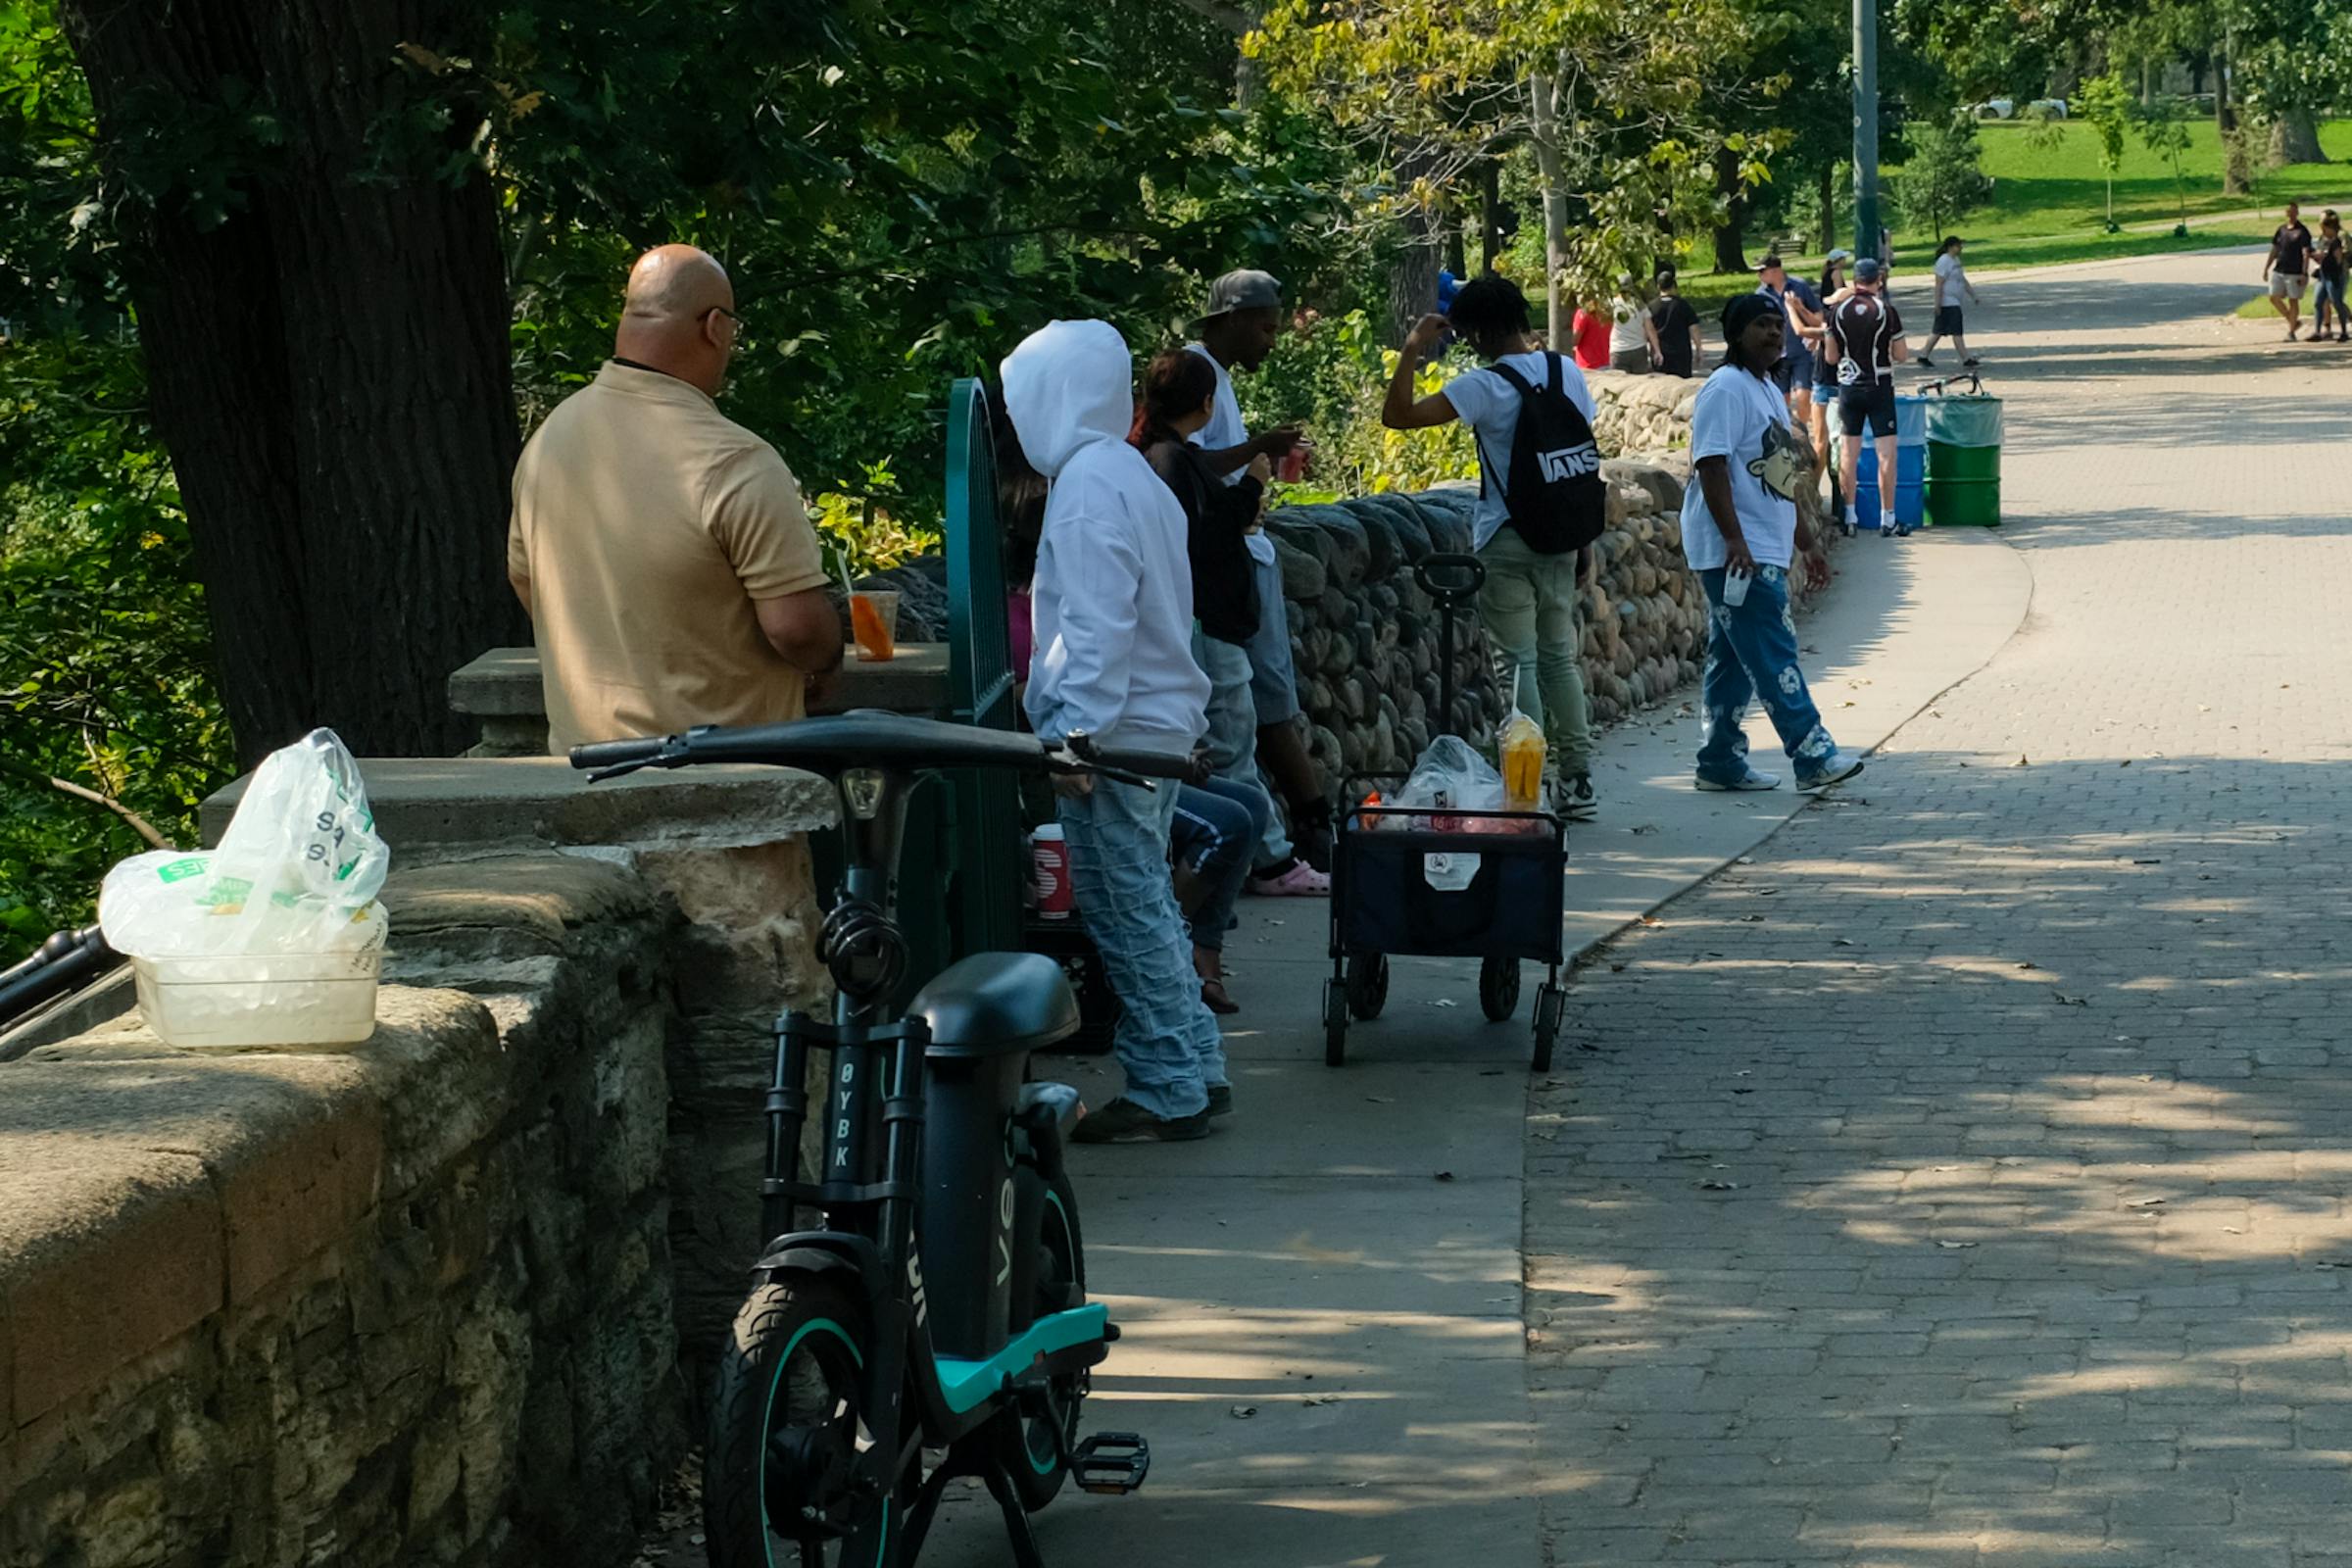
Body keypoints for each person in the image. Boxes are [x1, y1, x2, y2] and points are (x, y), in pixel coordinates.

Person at [1004, 318, 1228, 1143]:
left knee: (1126, 912)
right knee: (1150, 910)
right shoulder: (1126, 475)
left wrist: (1076, 739)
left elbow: (1096, 630)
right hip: (1152, 729)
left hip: (1116, 739)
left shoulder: (1087, 490)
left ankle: (1171, 1086)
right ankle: (1197, 1066)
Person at [508, 244, 841, 753]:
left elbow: (525, 577)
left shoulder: (549, 441)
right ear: (714, 327)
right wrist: (828, 660)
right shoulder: (733, 461)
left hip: (582, 775)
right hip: (721, 790)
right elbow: (796, 631)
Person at [1382, 273, 1600, 820]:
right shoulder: (1565, 371)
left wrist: (1412, 346)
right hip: (1560, 535)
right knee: (1558, 660)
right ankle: (1577, 779)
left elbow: (1398, 415)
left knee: (1519, 666)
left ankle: (1526, 788)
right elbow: (1576, 458)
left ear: (1475, 332)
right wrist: (1584, 541)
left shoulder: (1484, 385)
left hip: (1505, 537)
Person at [1131, 347, 1284, 1009]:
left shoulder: (1166, 455)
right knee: (1230, 769)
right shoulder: (1165, 463)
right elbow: (1207, 536)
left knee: (1242, 798)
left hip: (1202, 629)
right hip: (1193, 634)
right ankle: (1176, 944)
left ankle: (1202, 947)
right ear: (1204, 405)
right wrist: (1251, 484)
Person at [1681, 294, 1865, 797]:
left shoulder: (1764, 388)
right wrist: (1733, 538)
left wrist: (1806, 541)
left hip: (1763, 541)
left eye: (1777, 326)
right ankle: (1812, 754)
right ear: (1737, 334)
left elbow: (1779, 475)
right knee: (1772, 648)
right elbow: (1711, 464)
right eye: (1761, 326)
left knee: (1734, 658)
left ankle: (1720, 761)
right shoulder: (1725, 389)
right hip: (1734, 551)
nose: (1773, 335)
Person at [1187, 271, 1334, 893]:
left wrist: (1264, 455)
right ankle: (1276, 851)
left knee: (1266, 697)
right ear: (1233, 318)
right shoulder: (1198, 374)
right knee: (1241, 710)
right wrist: (1257, 453)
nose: (1273, 341)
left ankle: (1305, 829)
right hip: (1223, 565)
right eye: (1268, 327)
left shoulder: (1217, 377)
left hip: (1244, 553)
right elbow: (1186, 466)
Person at [1826, 257, 1911, 538]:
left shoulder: (1837, 312)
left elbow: (1830, 356)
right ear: (1879, 280)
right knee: (1886, 453)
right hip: (1880, 385)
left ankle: (1850, 517)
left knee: (1849, 452)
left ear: (1853, 280)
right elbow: (1901, 354)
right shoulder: (1887, 311)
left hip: (1848, 387)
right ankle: (1888, 518)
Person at [1758, 255, 1825, 423]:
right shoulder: (1761, 294)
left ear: (1775, 270)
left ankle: (1800, 429)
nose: (1759, 275)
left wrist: (1800, 310)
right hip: (1775, 353)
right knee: (1782, 398)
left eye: (1762, 271)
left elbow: (1819, 318)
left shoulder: (1799, 286)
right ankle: (1786, 431)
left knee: (1803, 394)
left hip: (1801, 350)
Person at [1917, 236, 1982, 367]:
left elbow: (1962, 279)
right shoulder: (1944, 261)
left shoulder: (1955, 260)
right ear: (1951, 246)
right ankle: (1966, 359)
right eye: (1958, 245)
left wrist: (1973, 295)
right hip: (1948, 301)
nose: (1961, 248)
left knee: (1938, 331)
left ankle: (1923, 356)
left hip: (1955, 300)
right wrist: (1937, 303)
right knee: (1957, 331)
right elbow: (1939, 284)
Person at [2265, 202, 2315, 342]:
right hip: (2279, 269)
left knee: (2293, 300)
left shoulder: (2302, 231)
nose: (2291, 214)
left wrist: (2304, 272)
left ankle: (2291, 332)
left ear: (2297, 213)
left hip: (2295, 271)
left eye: (2294, 211)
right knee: (2274, 297)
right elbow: (2275, 249)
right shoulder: (2281, 230)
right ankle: (2292, 320)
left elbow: (2306, 253)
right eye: (2289, 211)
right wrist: (2266, 267)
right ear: (2285, 213)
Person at [1648, 268, 1703, 378]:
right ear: (1674, 285)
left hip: (1660, 352)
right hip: (1681, 353)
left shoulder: (1651, 307)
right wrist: (1699, 348)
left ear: (1658, 286)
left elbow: (1648, 330)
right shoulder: (1683, 305)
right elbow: (1694, 328)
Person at [1608, 277, 1662, 373]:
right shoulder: (1639, 304)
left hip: (1618, 350)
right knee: (1640, 385)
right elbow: (1650, 329)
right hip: (1639, 350)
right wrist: (1657, 351)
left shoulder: (1612, 304)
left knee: (1618, 386)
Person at [2311, 212, 2348, 345]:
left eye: (2324, 228)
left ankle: (2344, 331)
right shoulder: (2323, 239)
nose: (2323, 231)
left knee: (2336, 301)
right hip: (2323, 274)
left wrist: (2325, 257)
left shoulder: (2337, 240)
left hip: (2334, 276)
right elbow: (2320, 252)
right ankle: (2317, 331)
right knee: (2318, 301)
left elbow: (2339, 260)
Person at [1570, 297, 1614, 370]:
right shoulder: (1606, 312)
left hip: (1588, 365)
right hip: (1607, 361)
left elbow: (1574, 341)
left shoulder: (1582, 313)